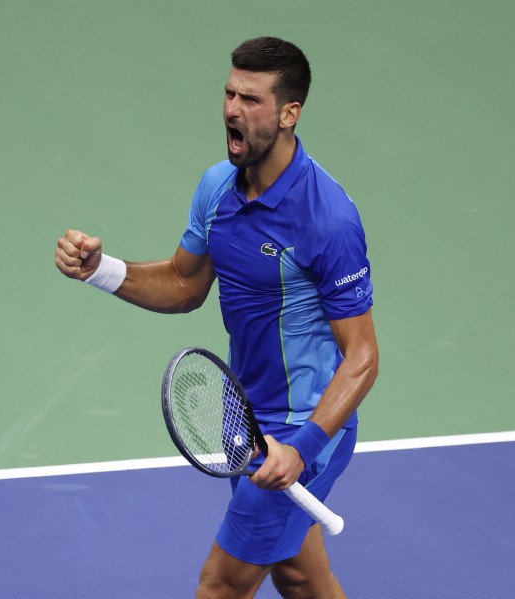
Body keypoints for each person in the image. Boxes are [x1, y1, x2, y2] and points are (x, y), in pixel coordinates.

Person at [55, 36, 378, 599]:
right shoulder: (216, 189)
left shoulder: (328, 221)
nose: (232, 109)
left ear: (288, 114)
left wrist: (301, 447)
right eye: (229, 93)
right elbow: (185, 283)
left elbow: (363, 356)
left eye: (251, 99)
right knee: (301, 575)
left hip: (305, 429)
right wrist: (98, 269)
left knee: (221, 586)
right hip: (246, 422)